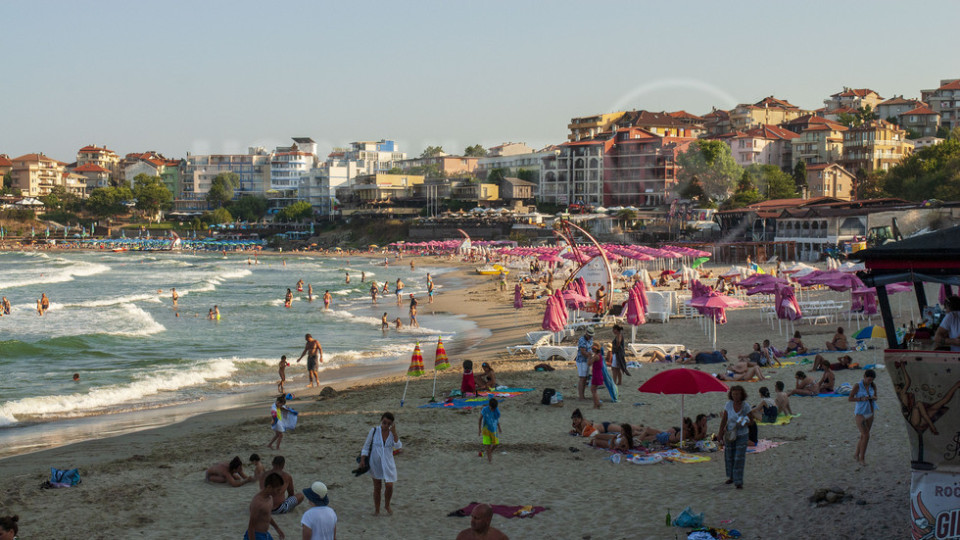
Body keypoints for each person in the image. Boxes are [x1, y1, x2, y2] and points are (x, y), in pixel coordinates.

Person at [359, 412, 402, 516]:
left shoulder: (392, 434)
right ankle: (377, 509)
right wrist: (362, 460)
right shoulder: (374, 431)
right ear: (381, 420)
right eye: (384, 422)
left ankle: (387, 505)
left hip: (388, 463)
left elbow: (398, 447)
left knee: (389, 486)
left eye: (388, 424)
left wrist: (395, 433)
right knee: (377, 487)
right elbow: (366, 446)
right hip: (375, 463)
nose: (386, 425)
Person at [718, 385, 754, 489]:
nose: (735, 396)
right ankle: (731, 477)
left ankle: (738, 481)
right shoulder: (728, 405)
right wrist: (720, 434)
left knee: (739, 457)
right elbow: (724, 419)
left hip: (742, 434)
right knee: (729, 456)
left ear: (742, 394)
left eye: (737, 394)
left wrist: (744, 421)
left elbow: (752, 421)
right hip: (730, 433)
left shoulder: (745, 406)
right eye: (733, 394)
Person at [246, 472, 286, 540]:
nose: (279, 492)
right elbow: (251, 527)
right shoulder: (257, 502)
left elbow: (267, 515)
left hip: (266, 534)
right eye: (278, 490)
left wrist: (277, 529)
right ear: (269, 487)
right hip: (256, 535)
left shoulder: (270, 498)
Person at [850, 369, 878, 466]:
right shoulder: (857, 385)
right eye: (869, 379)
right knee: (866, 435)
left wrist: (873, 397)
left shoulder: (873, 385)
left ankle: (856, 454)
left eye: (872, 380)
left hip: (870, 412)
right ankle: (862, 458)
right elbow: (850, 398)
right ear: (864, 377)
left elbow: (876, 396)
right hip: (860, 413)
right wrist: (861, 398)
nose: (870, 381)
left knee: (863, 435)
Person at [479, 398, 502, 464]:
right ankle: (490, 461)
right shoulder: (484, 410)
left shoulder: (496, 410)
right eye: (492, 408)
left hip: (494, 430)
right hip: (486, 431)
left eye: (494, 408)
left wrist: (499, 428)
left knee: (496, 444)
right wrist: (479, 429)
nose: (493, 410)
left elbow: (497, 419)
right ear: (490, 406)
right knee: (488, 446)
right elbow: (480, 419)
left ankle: (489, 452)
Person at [575, 327, 595, 401]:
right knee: (582, 378)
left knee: (585, 378)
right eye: (589, 335)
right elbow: (583, 352)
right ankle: (581, 396)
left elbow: (591, 348)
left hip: (587, 360)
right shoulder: (582, 340)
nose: (590, 337)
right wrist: (590, 355)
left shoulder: (591, 339)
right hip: (581, 361)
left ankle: (583, 395)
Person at [588, 343, 604, 409]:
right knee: (594, 390)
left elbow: (589, 363)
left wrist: (589, 356)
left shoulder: (596, 356)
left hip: (596, 374)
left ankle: (596, 404)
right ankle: (597, 403)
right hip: (598, 373)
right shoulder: (599, 355)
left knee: (593, 390)